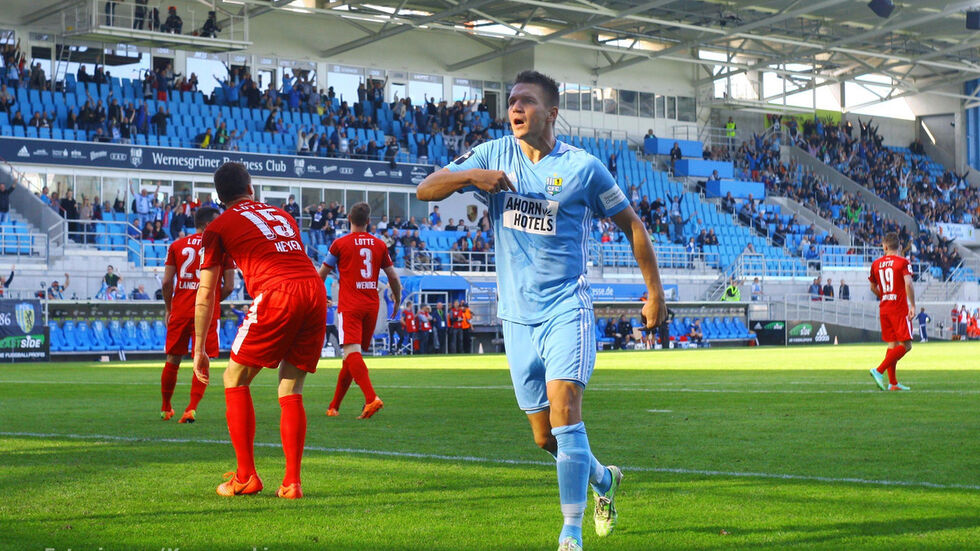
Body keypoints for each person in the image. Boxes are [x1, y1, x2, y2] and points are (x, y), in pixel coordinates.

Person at [416, 70, 666, 551]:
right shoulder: (491, 154)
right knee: (544, 437)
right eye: (511, 101)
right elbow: (427, 188)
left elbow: (632, 223)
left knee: (566, 409)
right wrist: (470, 176)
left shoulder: (584, 168)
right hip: (516, 316)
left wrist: (653, 291)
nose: (515, 108)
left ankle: (569, 535)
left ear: (551, 113)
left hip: (565, 308)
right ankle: (603, 481)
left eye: (526, 101)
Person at [194, 162, 327, 500]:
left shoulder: (218, 226)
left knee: (233, 379)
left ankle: (245, 477)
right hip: (314, 290)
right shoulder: (283, 216)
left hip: (278, 291)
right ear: (250, 188)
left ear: (220, 196)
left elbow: (206, 292)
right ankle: (292, 483)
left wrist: (199, 348)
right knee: (290, 385)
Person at [317, 201, 401, 419]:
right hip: (371, 306)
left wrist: (318, 296)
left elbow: (323, 273)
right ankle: (334, 406)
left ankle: (371, 398)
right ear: (368, 222)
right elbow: (393, 276)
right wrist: (398, 300)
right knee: (350, 356)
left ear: (349, 220)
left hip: (350, 305)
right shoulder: (379, 245)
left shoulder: (339, 243)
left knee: (351, 353)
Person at [160, 207, 235, 423]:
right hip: (207, 312)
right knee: (201, 357)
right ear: (208, 224)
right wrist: (210, 302)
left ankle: (166, 408)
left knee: (173, 358)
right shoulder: (222, 248)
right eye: (217, 221)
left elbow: (166, 282)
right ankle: (191, 408)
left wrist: (168, 308)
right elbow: (229, 286)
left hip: (181, 309)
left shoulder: (177, 245)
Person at [868, 232, 915, 392]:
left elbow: (872, 287)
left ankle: (893, 383)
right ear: (899, 247)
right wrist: (913, 305)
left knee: (892, 343)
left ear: (885, 246)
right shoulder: (903, 262)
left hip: (884, 308)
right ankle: (878, 370)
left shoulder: (876, 264)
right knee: (907, 345)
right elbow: (908, 284)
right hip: (898, 308)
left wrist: (885, 296)